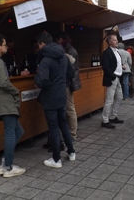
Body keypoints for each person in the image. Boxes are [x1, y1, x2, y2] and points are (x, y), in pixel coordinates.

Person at [0, 34, 25, 178]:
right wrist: (16, 90)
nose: (7, 46)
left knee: (18, 131)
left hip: (0, 101)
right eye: (4, 44)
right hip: (4, 101)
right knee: (11, 133)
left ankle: (5, 162)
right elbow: (3, 83)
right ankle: (8, 167)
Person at [34, 31, 76, 168]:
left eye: (38, 45)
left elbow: (43, 80)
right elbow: (71, 73)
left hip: (50, 97)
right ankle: (71, 152)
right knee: (63, 124)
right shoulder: (63, 56)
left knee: (53, 127)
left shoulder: (45, 60)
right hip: (62, 94)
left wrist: (37, 79)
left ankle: (56, 159)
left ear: (42, 44)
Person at [55, 31, 81, 142]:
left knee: (70, 109)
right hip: (68, 82)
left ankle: (73, 134)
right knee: (68, 109)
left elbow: (71, 70)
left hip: (68, 83)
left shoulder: (69, 51)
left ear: (60, 39)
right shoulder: (69, 49)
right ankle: (71, 133)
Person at [101, 34, 124, 129]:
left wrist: (122, 66)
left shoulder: (117, 51)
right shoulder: (107, 52)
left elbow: (116, 63)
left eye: (117, 40)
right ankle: (105, 120)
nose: (117, 41)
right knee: (109, 100)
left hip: (118, 78)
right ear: (110, 42)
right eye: (115, 40)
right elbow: (105, 66)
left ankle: (113, 116)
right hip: (112, 78)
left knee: (119, 97)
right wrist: (113, 76)